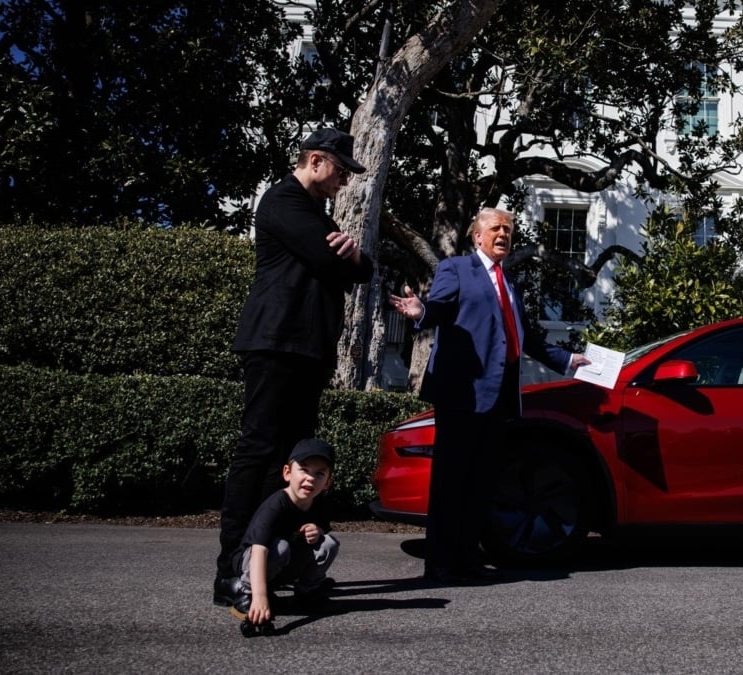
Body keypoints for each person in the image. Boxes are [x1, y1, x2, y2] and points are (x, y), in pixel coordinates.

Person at [213, 127, 372, 606]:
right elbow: (330, 260)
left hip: (308, 348)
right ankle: (230, 571)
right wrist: (350, 259)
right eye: (341, 170)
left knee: (288, 458)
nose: (344, 180)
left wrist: (356, 257)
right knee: (258, 450)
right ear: (316, 160)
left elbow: (361, 270)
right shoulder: (283, 201)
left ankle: (272, 565)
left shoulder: (317, 213)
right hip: (275, 343)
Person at [389, 207, 590, 584]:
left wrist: (567, 359)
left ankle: (468, 560)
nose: (503, 235)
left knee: (481, 482)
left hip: (498, 397)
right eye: (496, 228)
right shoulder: (457, 269)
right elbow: (440, 308)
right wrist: (421, 312)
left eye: (508, 230)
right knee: (451, 481)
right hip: (463, 393)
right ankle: (440, 563)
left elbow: (525, 336)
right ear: (477, 236)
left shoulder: (509, 282)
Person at [225, 438, 341, 628]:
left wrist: (317, 531)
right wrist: (260, 597)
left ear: (328, 482)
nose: (311, 478)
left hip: (285, 564)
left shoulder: (318, 502)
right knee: (280, 547)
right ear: (287, 473)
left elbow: (322, 532)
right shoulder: (275, 505)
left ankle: (307, 593)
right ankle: (247, 594)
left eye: (319, 473)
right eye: (304, 469)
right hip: (255, 562)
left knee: (329, 543)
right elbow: (259, 550)